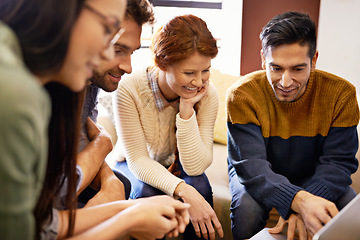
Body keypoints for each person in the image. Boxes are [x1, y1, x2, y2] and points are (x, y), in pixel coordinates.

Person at [0, 0, 189, 239]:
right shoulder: (17, 94)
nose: (108, 53)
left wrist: (126, 209)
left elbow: (41, 221)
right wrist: (127, 218)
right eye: (106, 29)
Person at [226, 11, 360, 240]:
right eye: (276, 68)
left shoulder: (341, 95)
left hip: (313, 173)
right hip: (258, 173)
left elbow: (338, 163)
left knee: (348, 204)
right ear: (262, 59)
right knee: (246, 208)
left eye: (298, 69)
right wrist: (300, 202)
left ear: (314, 59)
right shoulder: (242, 95)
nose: (285, 82)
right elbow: (252, 168)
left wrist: (305, 201)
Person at [113, 14, 224, 240]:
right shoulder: (129, 88)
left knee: (201, 187)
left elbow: (195, 167)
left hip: (177, 165)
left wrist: (186, 111)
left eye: (205, 70)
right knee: (147, 193)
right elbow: (139, 161)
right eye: (189, 73)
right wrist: (184, 191)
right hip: (133, 163)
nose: (199, 81)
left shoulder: (207, 94)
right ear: (162, 64)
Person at [76, 0, 155, 208]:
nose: (129, 68)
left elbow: (83, 147)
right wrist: (103, 143)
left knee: (124, 184)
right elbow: (57, 194)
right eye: (118, 50)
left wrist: (110, 180)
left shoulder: (91, 81)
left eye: (132, 52)